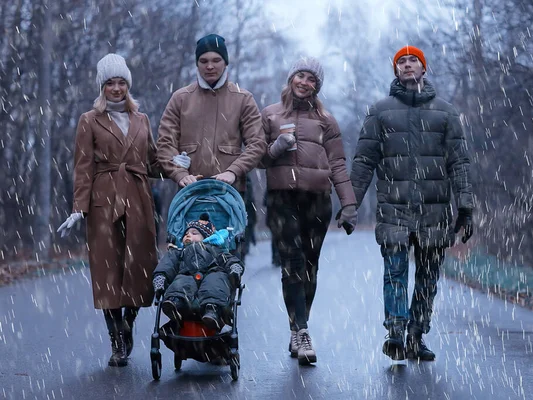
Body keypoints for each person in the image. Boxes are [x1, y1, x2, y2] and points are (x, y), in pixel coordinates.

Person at [56, 53, 190, 368]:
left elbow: (152, 162)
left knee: (140, 270)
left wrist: (176, 166)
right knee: (108, 273)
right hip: (103, 203)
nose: (116, 88)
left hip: (139, 201)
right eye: (110, 83)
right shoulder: (89, 120)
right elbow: (83, 167)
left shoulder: (141, 120)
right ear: (102, 87)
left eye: (121, 83)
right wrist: (79, 207)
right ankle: (117, 339)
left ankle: (128, 322)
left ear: (127, 86)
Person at [349, 46, 474, 361]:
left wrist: (466, 205)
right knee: (394, 271)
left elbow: (459, 162)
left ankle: (416, 336)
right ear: (396, 71)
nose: (407, 64)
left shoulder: (445, 112)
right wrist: (350, 204)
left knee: (428, 277)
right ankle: (395, 331)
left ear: (423, 69)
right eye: (401, 61)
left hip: (435, 210)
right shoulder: (379, 112)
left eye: (412, 60)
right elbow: (364, 161)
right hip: (394, 208)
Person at [261, 57, 358, 365]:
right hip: (282, 199)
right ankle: (300, 331)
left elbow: (339, 163)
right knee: (291, 262)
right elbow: (255, 155)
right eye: (300, 76)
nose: (304, 82)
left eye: (311, 79)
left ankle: (299, 328)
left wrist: (350, 203)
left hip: (317, 200)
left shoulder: (326, 120)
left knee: (309, 265)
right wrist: (274, 149)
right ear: (291, 78)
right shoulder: (270, 115)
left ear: (317, 86)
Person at [156, 33, 266, 196]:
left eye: (216, 60)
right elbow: (165, 143)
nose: (210, 66)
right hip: (189, 192)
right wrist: (180, 174)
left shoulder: (243, 99)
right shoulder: (180, 98)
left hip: (231, 191)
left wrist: (233, 172)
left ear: (225, 63)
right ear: (197, 64)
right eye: (204, 61)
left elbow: (257, 143)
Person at [152, 214, 244, 331]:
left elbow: (229, 259)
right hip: (187, 274)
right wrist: (161, 276)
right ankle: (175, 303)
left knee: (216, 280)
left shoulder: (214, 250)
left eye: (194, 233)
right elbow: (167, 264)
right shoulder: (180, 252)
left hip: (211, 273)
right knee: (181, 281)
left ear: (206, 238)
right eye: (186, 234)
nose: (188, 235)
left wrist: (234, 267)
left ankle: (212, 310)